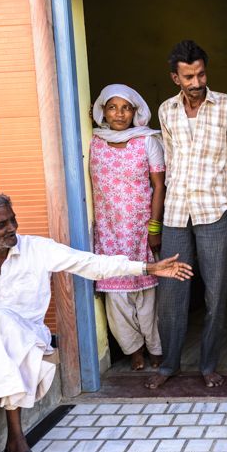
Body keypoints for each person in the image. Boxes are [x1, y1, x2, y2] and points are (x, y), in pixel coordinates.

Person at [0, 193, 192, 452]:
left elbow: (91, 264)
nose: (12, 229)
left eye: (13, 220)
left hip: (29, 339)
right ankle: (16, 444)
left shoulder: (37, 249)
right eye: (0, 225)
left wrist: (146, 267)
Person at [146, 40, 227, 390]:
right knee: (172, 292)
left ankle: (208, 364)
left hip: (215, 209)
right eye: (188, 76)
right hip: (177, 211)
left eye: (201, 74)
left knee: (215, 291)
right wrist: (156, 222)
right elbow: (171, 161)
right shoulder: (166, 111)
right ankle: (169, 365)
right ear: (175, 77)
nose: (196, 82)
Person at [90, 84, 165, 371]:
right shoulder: (93, 141)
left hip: (140, 229)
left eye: (126, 107)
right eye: (112, 107)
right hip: (109, 230)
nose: (119, 114)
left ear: (135, 112)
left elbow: (159, 186)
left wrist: (154, 228)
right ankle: (133, 349)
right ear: (102, 111)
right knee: (116, 295)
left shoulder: (148, 141)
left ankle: (155, 347)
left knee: (147, 294)